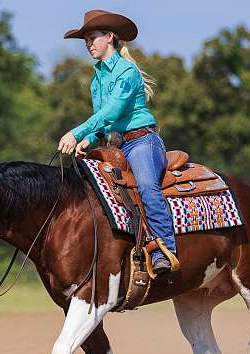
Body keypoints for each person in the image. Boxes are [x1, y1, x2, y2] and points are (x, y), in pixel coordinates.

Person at [58, 9, 177, 274]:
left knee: (146, 186)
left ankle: (163, 250)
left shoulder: (127, 72)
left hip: (143, 141)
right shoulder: (96, 79)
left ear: (109, 37)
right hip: (118, 145)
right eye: (86, 40)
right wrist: (89, 139)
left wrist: (76, 133)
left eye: (93, 38)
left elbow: (111, 111)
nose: (89, 44)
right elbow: (104, 122)